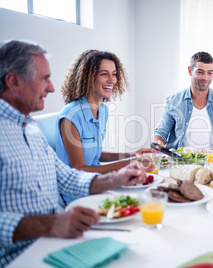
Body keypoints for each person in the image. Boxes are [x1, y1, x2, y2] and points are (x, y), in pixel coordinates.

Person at [0, 40, 147, 266]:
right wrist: (50, 224)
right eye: (44, 79)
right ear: (14, 81)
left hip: (53, 240)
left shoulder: (29, 128)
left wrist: (118, 176)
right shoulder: (68, 115)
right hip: (18, 256)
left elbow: (67, 177)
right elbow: (77, 167)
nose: (51, 88)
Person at [56, 49, 154, 176]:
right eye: (104, 74)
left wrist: (131, 154)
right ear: (88, 77)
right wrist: (127, 163)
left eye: (114, 74)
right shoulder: (71, 115)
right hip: (78, 189)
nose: (112, 80)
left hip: (97, 180)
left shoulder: (102, 110)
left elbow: (95, 154)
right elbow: (79, 168)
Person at [152, 51, 213, 152]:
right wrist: (158, 142)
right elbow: (160, 132)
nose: (205, 78)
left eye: (210, 73)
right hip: (181, 160)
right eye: (200, 72)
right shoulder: (173, 101)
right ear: (190, 71)